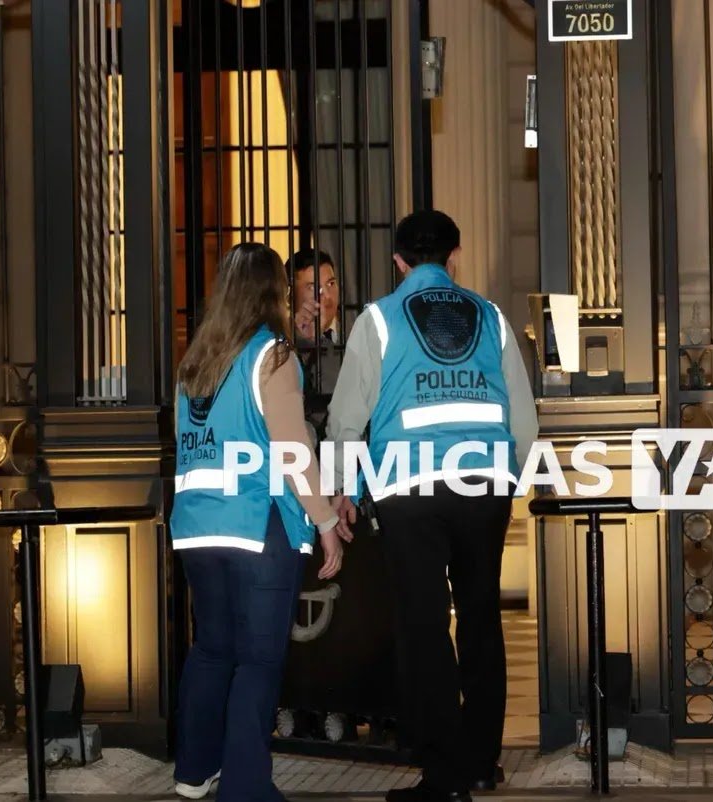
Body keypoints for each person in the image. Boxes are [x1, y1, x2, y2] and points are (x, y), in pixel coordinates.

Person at [327, 211, 538, 802]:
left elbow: (347, 419)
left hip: (409, 487)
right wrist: (511, 480)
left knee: (424, 626)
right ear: (454, 255)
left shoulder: (378, 319)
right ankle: (481, 761)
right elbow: (523, 418)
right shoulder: (492, 317)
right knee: (480, 618)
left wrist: (344, 489)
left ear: (398, 261)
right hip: (483, 485)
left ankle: (443, 775)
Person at [170, 243, 353, 801]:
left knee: (211, 650)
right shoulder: (271, 355)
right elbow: (293, 450)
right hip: (255, 524)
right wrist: (324, 520)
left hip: (196, 527)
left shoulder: (195, 362)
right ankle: (246, 788)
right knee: (258, 660)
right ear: (275, 290)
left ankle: (193, 772)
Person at [289, 248, 342, 405]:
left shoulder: (356, 331)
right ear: (290, 295)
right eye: (312, 287)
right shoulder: (281, 341)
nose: (327, 295)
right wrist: (305, 341)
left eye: (331, 284)